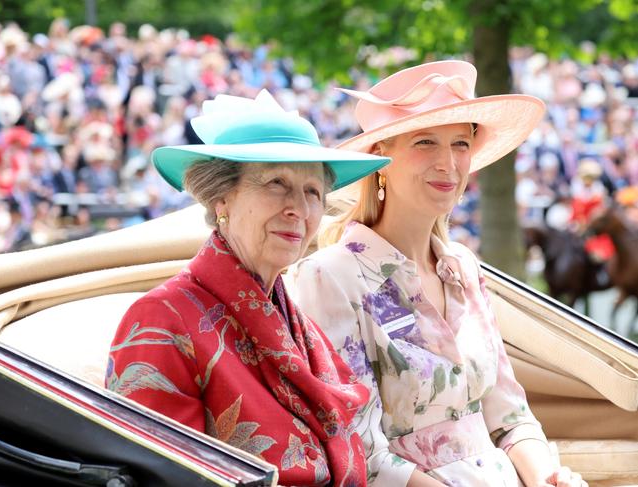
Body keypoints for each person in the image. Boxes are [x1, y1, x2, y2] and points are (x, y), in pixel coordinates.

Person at [289, 61, 587, 486]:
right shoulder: (331, 275)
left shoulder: (463, 266)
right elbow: (359, 449)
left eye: (461, 144)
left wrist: (548, 476)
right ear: (380, 158)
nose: (448, 163)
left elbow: (510, 416)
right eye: (425, 142)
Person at [106, 90, 390, 486]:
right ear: (222, 198)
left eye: (312, 192)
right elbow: (162, 477)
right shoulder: (163, 320)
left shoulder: (303, 329)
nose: (299, 209)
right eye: (276, 183)